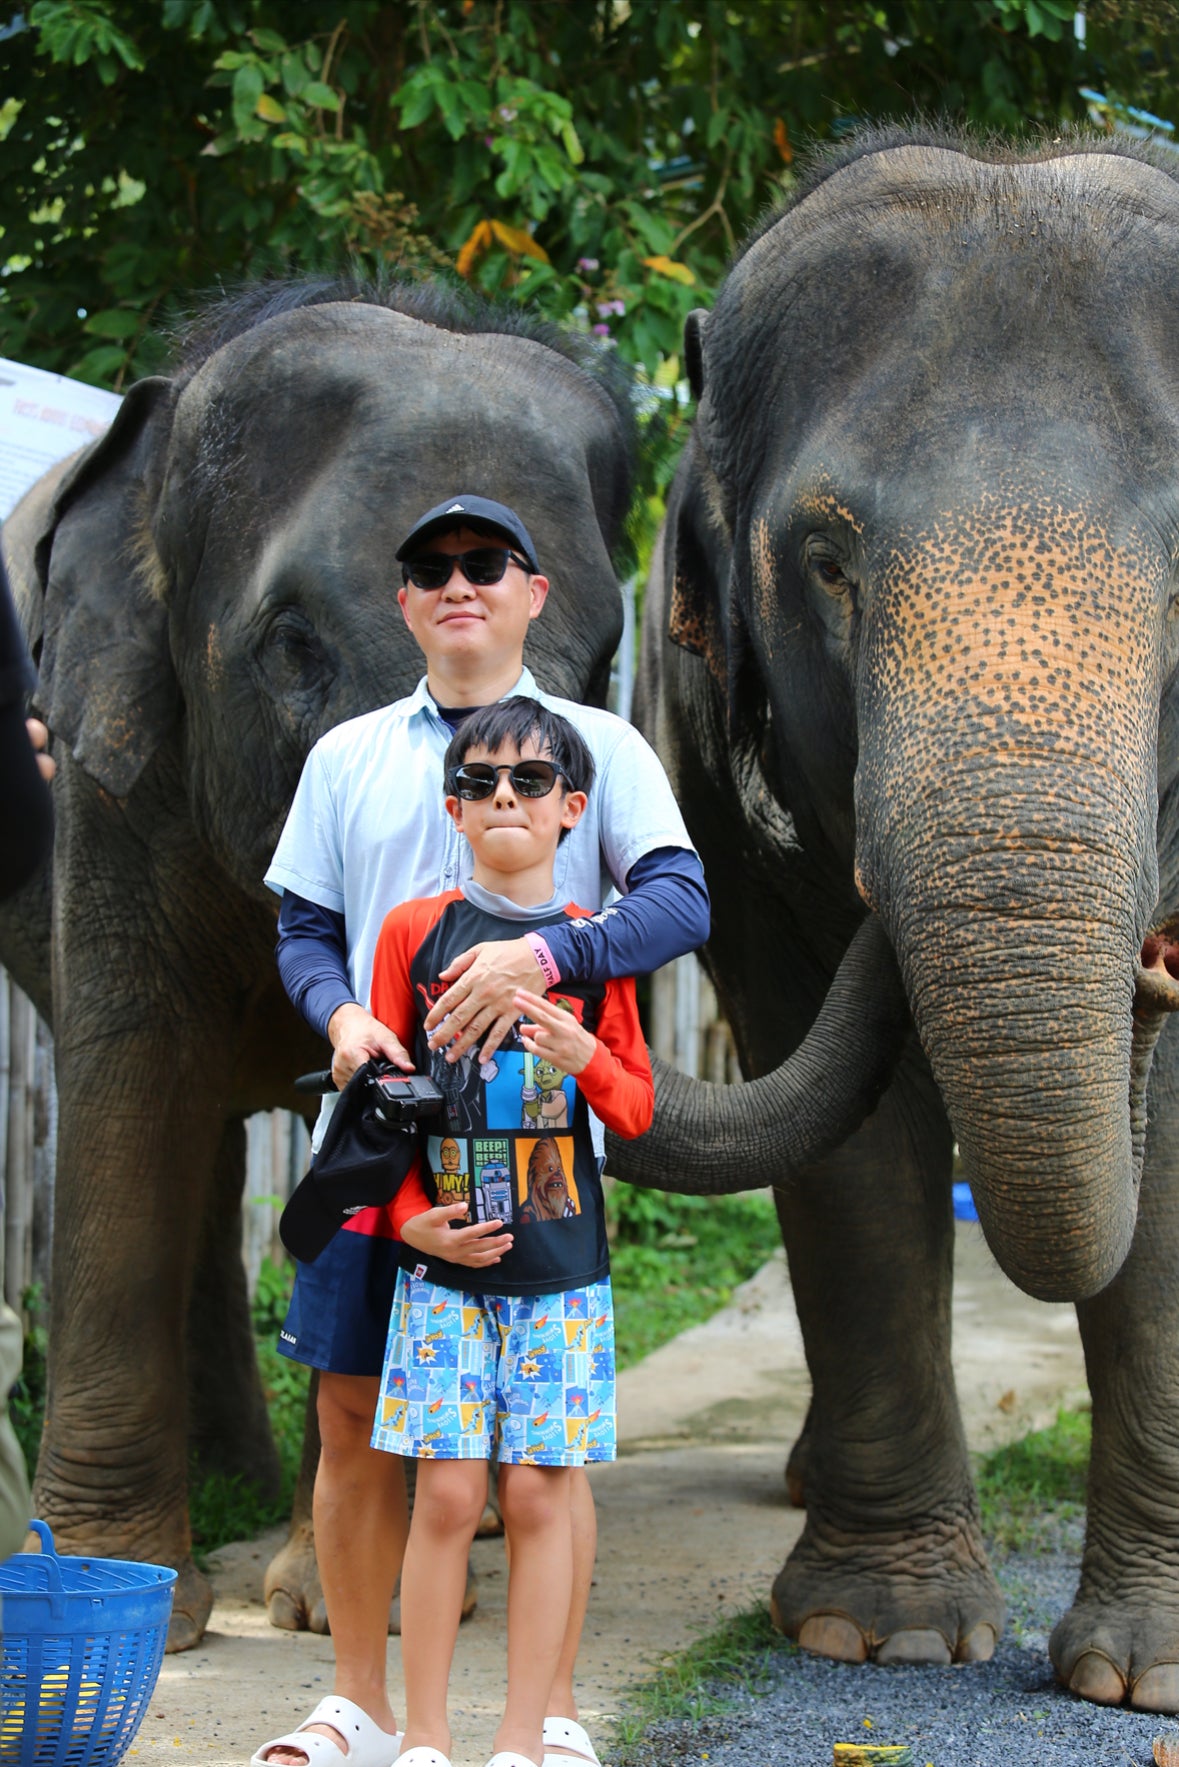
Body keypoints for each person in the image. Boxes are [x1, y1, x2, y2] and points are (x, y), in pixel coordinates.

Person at [255, 495, 708, 1767]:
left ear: (533, 592)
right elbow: (304, 928)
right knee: (354, 1417)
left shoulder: (601, 746)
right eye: (432, 567)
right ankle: (361, 1705)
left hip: (538, 1165)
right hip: (379, 1144)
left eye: (486, 563)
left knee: (543, 1461)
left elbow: (679, 901)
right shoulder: (348, 755)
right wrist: (344, 1015)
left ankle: (543, 1717)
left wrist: (545, 960)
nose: (459, 582)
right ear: (404, 602)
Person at [374, 697, 653, 1767]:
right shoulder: (413, 934)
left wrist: (585, 1055)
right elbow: (378, 1113)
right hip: (442, 1274)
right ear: (453, 806)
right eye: (480, 781)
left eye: (529, 781)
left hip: (562, 1275)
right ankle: (424, 1738)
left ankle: (524, 1741)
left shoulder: (594, 948)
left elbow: (636, 1109)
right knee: (447, 1493)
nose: (504, 797)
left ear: (570, 808)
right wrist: (412, 1224)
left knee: (539, 1494)